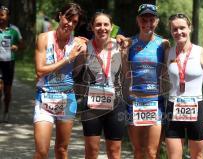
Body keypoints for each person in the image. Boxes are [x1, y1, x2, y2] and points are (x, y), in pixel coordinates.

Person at [33, 3, 87, 158]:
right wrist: (67, 58)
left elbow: (77, 73)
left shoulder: (77, 44)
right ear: (60, 16)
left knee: (62, 150)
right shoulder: (44, 38)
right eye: (67, 18)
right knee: (42, 151)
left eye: (74, 22)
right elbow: (39, 71)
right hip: (45, 96)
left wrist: (83, 55)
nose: (69, 24)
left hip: (67, 98)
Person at [74, 12, 126, 159]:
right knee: (91, 151)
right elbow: (76, 74)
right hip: (92, 103)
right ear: (92, 27)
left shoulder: (120, 46)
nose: (102, 28)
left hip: (115, 102)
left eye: (105, 24)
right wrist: (79, 53)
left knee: (114, 151)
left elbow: (127, 74)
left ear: (111, 27)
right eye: (98, 24)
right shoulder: (85, 46)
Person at [165, 13, 203, 159]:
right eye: (174, 29)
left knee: (198, 156)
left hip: (196, 108)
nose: (178, 32)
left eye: (182, 28)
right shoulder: (167, 52)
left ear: (190, 28)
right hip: (173, 107)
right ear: (171, 31)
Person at [124, 4, 169, 159]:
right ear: (138, 20)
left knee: (151, 152)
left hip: (155, 102)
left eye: (151, 19)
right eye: (144, 19)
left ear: (156, 21)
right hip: (134, 102)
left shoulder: (164, 44)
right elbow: (124, 71)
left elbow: (169, 71)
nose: (147, 23)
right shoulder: (129, 43)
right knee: (138, 151)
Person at [0, 5, 21, 122]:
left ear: (8, 17)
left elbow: (22, 45)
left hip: (9, 62)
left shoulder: (14, 30)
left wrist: (16, 46)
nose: (0, 17)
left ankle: (6, 111)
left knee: (7, 90)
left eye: (2, 15)